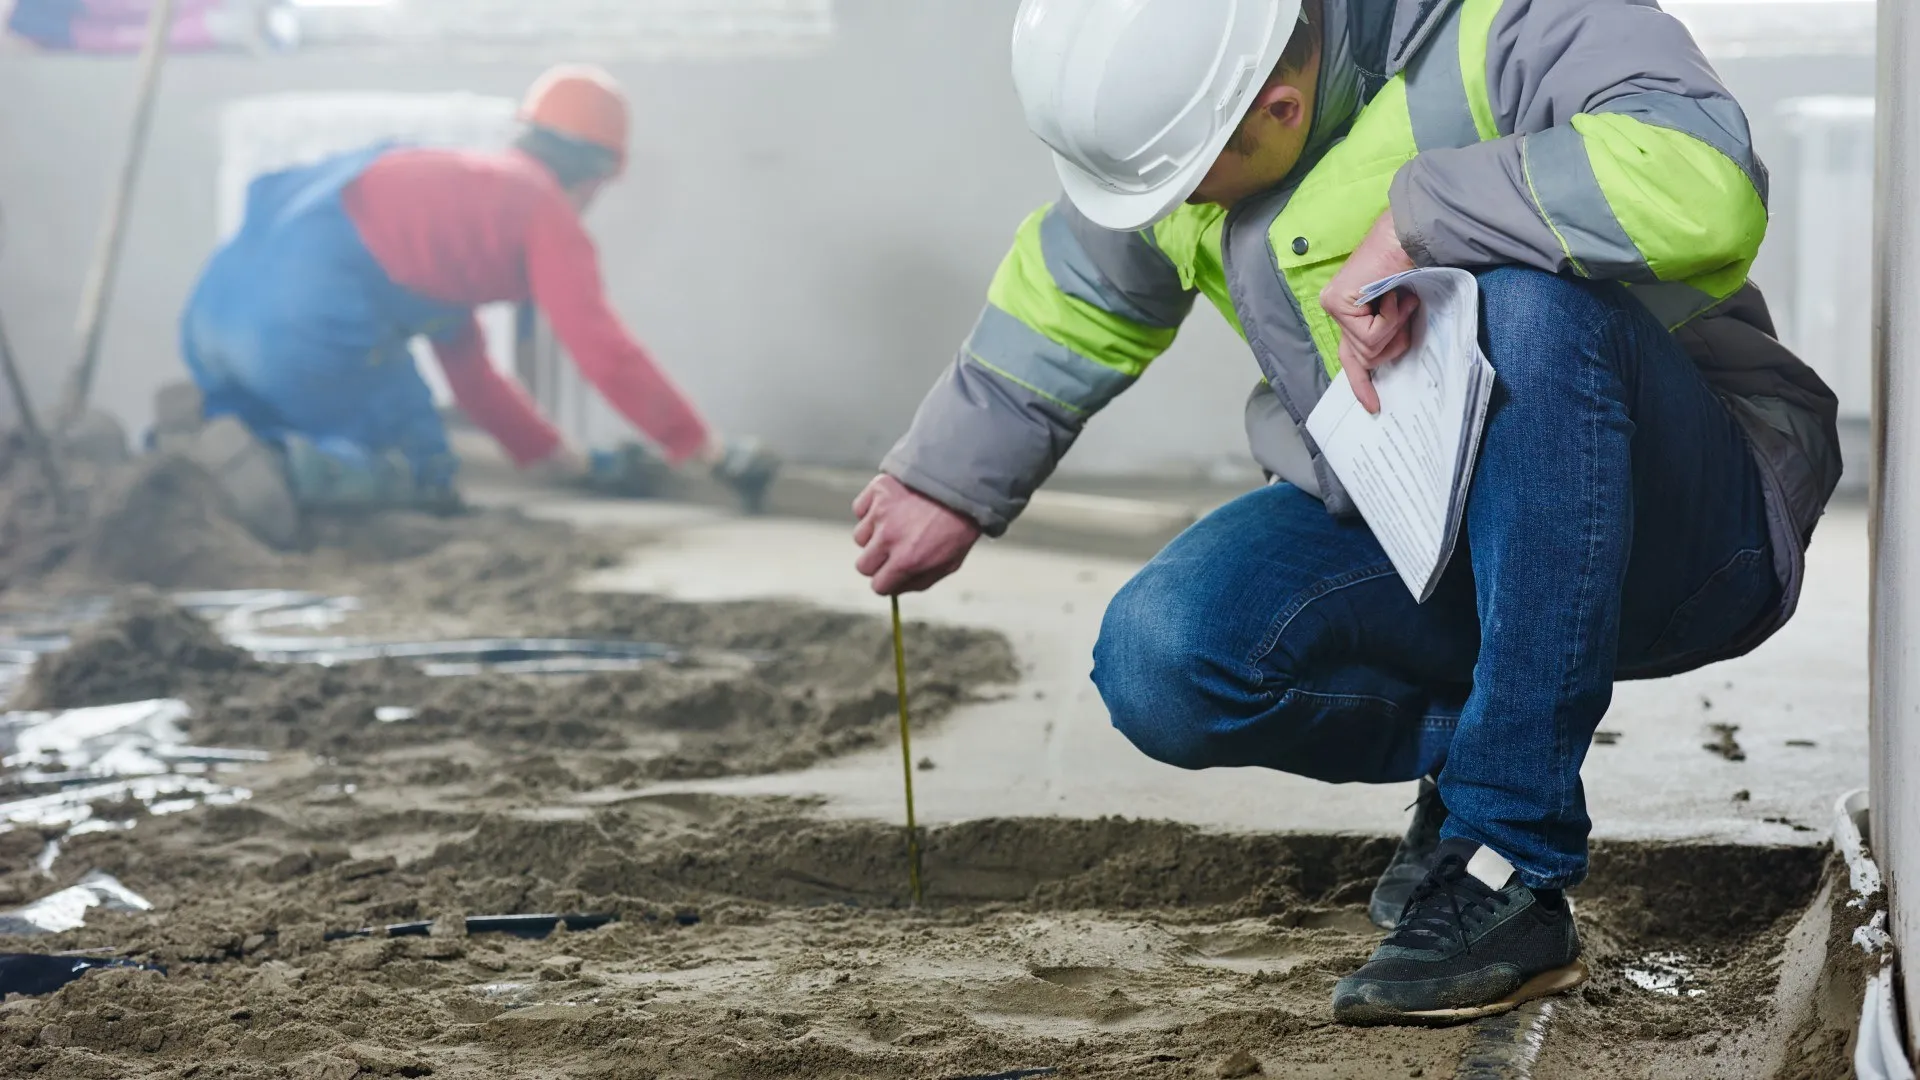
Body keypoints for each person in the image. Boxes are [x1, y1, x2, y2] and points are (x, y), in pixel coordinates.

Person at [853, 0, 1840, 1025]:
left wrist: (1423, 217)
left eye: (1184, 183)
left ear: (1279, 109)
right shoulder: (1198, 119)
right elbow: (1082, 284)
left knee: (1522, 310)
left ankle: (1507, 859)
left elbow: (1705, 183)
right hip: (1432, 518)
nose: (1168, 207)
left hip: (1691, 528)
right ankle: (1484, 750)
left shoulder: (1517, 25)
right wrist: (946, 478)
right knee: (1166, 657)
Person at [178, 64, 775, 544]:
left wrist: (561, 462)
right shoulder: (543, 207)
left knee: (270, 417)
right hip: (303, 315)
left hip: (216, 312)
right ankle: (278, 469)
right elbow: (604, 351)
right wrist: (703, 449)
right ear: (595, 178)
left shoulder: (460, 197)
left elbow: (472, 373)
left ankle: (183, 452)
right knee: (421, 470)